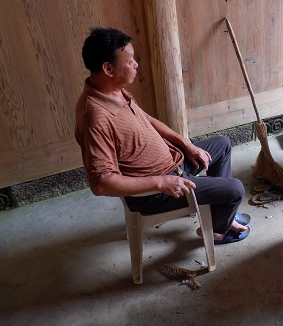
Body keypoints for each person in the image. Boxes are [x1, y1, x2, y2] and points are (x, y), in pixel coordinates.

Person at [75, 27, 250, 244]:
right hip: (154, 193)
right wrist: (161, 182)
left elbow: (147, 119)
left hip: (173, 163)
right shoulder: (94, 118)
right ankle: (219, 229)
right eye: (130, 61)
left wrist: (186, 144)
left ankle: (219, 219)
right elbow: (102, 184)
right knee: (235, 189)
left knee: (221, 145)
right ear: (108, 68)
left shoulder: (113, 90)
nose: (136, 65)